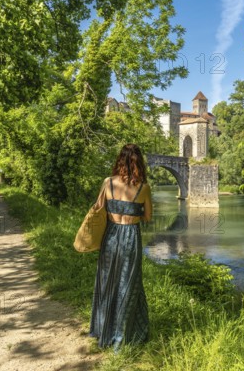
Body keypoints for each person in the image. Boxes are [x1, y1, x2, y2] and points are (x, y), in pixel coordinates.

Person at [89, 143, 152, 351]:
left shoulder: (108, 183)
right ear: (139, 163)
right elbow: (148, 217)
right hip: (131, 237)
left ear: (119, 160)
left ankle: (102, 330)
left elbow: (98, 209)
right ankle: (122, 334)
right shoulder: (143, 187)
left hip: (111, 236)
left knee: (107, 281)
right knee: (129, 284)